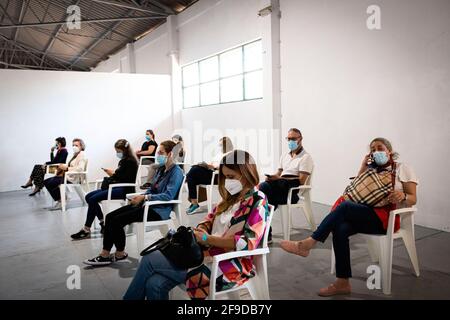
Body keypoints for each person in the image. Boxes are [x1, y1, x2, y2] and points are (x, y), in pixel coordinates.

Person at [280, 137, 418, 297]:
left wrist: (402, 196)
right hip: (365, 214)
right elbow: (354, 190)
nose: (376, 152)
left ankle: (309, 243)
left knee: (344, 206)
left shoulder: (402, 168)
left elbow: (413, 198)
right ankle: (342, 282)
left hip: (386, 219)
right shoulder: (370, 169)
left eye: (379, 148)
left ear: (389, 151)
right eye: (372, 150)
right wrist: (362, 167)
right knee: (340, 229)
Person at [123, 150, 269, 300]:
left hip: (229, 264)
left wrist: (206, 238)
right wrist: (202, 230)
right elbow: (209, 219)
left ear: (246, 174)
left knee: (149, 259)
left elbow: (247, 243)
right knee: (155, 283)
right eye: (224, 177)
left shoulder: (258, 201)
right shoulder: (230, 198)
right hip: (206, 253)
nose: (226, 182)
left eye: (231, 177)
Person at [83, 140, 184, 266]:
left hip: (157, 211)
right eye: (158, 152)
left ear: (170, 154)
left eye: (161, 152)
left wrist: (145, 198)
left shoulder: (177, 172)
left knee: (117, 220)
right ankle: (117, 253)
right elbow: (152, 188)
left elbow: (168, 195)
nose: (158, 154)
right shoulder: (161, 170)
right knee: (110, 217)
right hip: (147, 205)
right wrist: (140, 196)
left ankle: (108, 254)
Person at [70, 139, 138, 240]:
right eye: (116, 151)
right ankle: (102, 223)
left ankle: (86, 229)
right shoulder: (124, 160)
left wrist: (113, 174)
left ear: (125, 150)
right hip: (118, 186)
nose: (117, 153)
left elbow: (126, 179)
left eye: (119, 151)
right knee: (88, 196)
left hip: (124, 189)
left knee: (93, 199)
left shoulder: (130, 161)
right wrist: (114, 174)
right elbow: (121, 175)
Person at [258, 128, 313, 243]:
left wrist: (280, 178)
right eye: (288, 139)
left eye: (293, 139)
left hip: (292, 191)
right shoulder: (284, 156)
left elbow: (302, 181)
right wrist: (272, 177)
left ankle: (265, 231)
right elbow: (278, 174)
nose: (290, 141)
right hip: (279, 187)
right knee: (263, 189)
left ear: (300, 139)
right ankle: (265, 230)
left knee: (265, 195)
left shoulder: (305, 157)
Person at [185, 137, 234, 215]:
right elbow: (213, 163)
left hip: (218, 176)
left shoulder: (231, 154)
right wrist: (207, 165)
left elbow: (227, 168)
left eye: (221, 145)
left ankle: (194, 202)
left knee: (193, 172)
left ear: (227, 145)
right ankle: (194, 203)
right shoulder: (219, 154)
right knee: (192, 174)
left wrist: (213, 167)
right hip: (212, 173)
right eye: (220, 145)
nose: (220, 147)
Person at [43, 138, 87, 210]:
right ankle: (61, 199)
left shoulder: (82, 155)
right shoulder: (75, 154)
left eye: (76, 145)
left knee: (51, 183)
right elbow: (70, 165)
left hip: (74, 178)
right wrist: (63, 166)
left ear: (81, 146)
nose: (74, 147)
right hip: (68, 176)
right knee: (46, 181)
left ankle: (62, 200)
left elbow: (80, 168)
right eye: (73, 145)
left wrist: (66, 168)